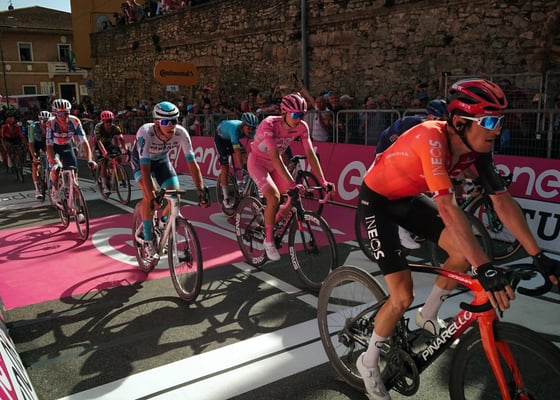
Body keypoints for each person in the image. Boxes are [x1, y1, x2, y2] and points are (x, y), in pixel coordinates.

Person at [355, 79, 560, 400]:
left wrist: (539, 255)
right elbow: (448, 208)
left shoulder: (477, 149)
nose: (497, 130)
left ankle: (427, 315)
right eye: (489, 122)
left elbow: (502, 202)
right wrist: (485, 267)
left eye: (500, 121)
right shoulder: (431, 138)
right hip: (377, 201)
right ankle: (368, 363)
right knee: (402, 296)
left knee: (462, 254)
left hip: (407, 197)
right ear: (460, 123)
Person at [247, 92, 334, 261]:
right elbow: (274, 156)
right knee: (273, 197)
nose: (299, 119)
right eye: (295, 115)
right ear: (284, 112)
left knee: (291, 197)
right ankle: (269, 240)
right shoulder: (269, 124)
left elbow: (310, 154)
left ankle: (273, 219)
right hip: (258, 162)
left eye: (302, 115)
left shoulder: (302, 127)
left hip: (275, 164)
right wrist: (292, 182)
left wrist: (323, 181)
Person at [130, 100, 210, 260]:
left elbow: (192, 164)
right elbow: (145, 170)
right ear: (156, 123)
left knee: (176, 197)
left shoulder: (181, 133)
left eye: (174, 121)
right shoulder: (145, 132)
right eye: (165, 122)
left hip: (162, 161)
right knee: (150, 196)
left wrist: (201, 190)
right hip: (142, 163)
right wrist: (152, 196)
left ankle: (162, 224)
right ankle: (148, 240)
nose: (171, 126)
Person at [374, 99, 448, 249]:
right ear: (429, 115)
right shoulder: (413, 125)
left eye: (444, 120)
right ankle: (401, 233)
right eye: (437, 119)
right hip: (388, 147)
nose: (440, 122)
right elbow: (401, 153)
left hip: (408, 149)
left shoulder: (438, 130)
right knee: (403, 184)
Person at [46, 99, 97, 221]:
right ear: (55, 114)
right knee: (56, 168)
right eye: (60, 114)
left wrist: (90, 160)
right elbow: (48, 145)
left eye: (66, 113)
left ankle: (79, 210)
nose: (63, 117)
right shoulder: (50, 123)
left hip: (67, 148)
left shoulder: (75, 121)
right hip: (54, 148)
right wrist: (54, 162)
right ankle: (54, 190)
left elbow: (84, 142)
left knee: (74, 181)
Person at [214, 112, 259, 208]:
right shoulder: (234, 130)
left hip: (232, 139)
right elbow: (237, 152)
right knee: (225, 166)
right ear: (243, 125)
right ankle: (226, 197)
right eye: (248, 128)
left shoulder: (252, 131)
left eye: (252, 128)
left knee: (246, 157)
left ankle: (245, 181)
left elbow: (258, 146)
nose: (250, 131)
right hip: (221, 139)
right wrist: (242, 167)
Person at [92, 110, 128, 195]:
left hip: (108, 144)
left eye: (110, 121)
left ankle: (112, 172)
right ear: (103, 121)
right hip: (98, 145)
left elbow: (121, 138)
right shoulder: (98, 127)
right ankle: (104, 186)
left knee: (118, 158)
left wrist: (126, 149)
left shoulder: (115, 128)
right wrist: (104, 152)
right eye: (106, 122)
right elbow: (98, 142)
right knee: (104, 162)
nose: (109, 123)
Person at [27, 111, 51, 199]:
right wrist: (34, 156)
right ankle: (37, 190)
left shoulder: (51, 126)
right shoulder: (33, 126)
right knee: (35, 164)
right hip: (35, 143)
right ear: (39, 120)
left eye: (47, 121)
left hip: (46, 142)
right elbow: (31, 143)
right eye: (44, 121)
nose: (46, 123)